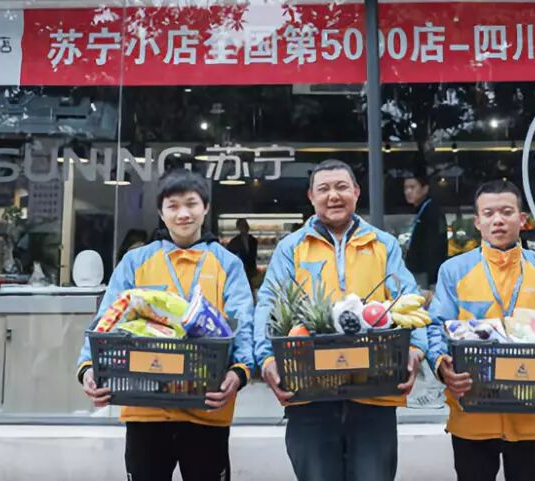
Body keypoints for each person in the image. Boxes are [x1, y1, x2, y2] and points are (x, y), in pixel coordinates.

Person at [253, 159, 428, 481]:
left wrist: (416, 349)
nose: (333, 195)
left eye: (341, 187)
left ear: (356, 192)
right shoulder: (291, 248)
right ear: (311, 197)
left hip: (374, 388)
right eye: (324, 189)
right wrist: (266, 359)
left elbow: (408, 297)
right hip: (309, 390)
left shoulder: (383, 244)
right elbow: (269, 304)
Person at [77, 170, 254, 481]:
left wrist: (239, 373)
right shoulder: (135, 262)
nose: (183, 213)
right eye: (173, 206)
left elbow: (243, 323)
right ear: (161, 212)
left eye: (191, 204)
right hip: (145, 409)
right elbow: (106, 318)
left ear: (205, 208)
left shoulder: (228, 264)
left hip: (206, 409)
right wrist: (88, 367)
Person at [428, 180, 535, 481]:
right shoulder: (454, 271)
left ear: (522, 220)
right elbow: (435, 327)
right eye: (489, 213)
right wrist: (442, 365)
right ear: (477, 222)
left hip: (534, 409)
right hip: (472, 411)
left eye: (507, 212)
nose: (498, 220)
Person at [403, 173, 448, 291]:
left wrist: (431, 277)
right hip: (418, 271)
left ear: (425, 189)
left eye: (412, 187)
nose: (408, 192)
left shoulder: (431, 211)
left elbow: (434, 246)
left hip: (426, 274)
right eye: (406, 188)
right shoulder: (421, 209)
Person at [226, 218, 259, 283]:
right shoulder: (234, 242)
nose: (245, 227)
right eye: (242, 225)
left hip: (251, 271)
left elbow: (254, 256)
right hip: (239, 271)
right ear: (238, 227)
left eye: (245, 225)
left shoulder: (253, 240)